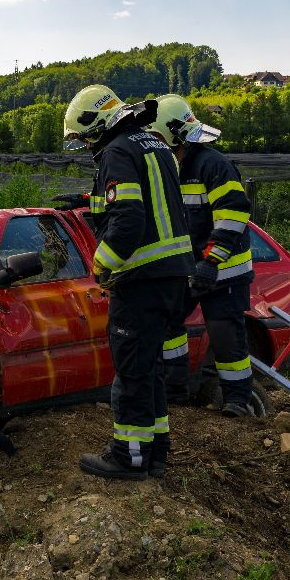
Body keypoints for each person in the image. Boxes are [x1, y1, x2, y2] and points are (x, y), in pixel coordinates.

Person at [64, 85, 195, 480]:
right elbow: (147, 206)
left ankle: (129, 456)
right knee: (149, 367)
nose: (87, 146)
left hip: (141, 280)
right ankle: (155, 452)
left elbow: (128, 220)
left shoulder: (117, 151)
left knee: (132, 370)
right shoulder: (155, 145)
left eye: (86, 137)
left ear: (98, 125)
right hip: (172, 276)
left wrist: (102, 267)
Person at [145, 94, 255, 417]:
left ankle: (238, 402)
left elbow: (233, 215)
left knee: (225, 336)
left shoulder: (213, 165)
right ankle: (174, 392)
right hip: (190, 269)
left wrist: (211, 262)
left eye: (156, 137)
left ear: (172, 135)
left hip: (224, 271)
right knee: (168, 322)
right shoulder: (170, 168)